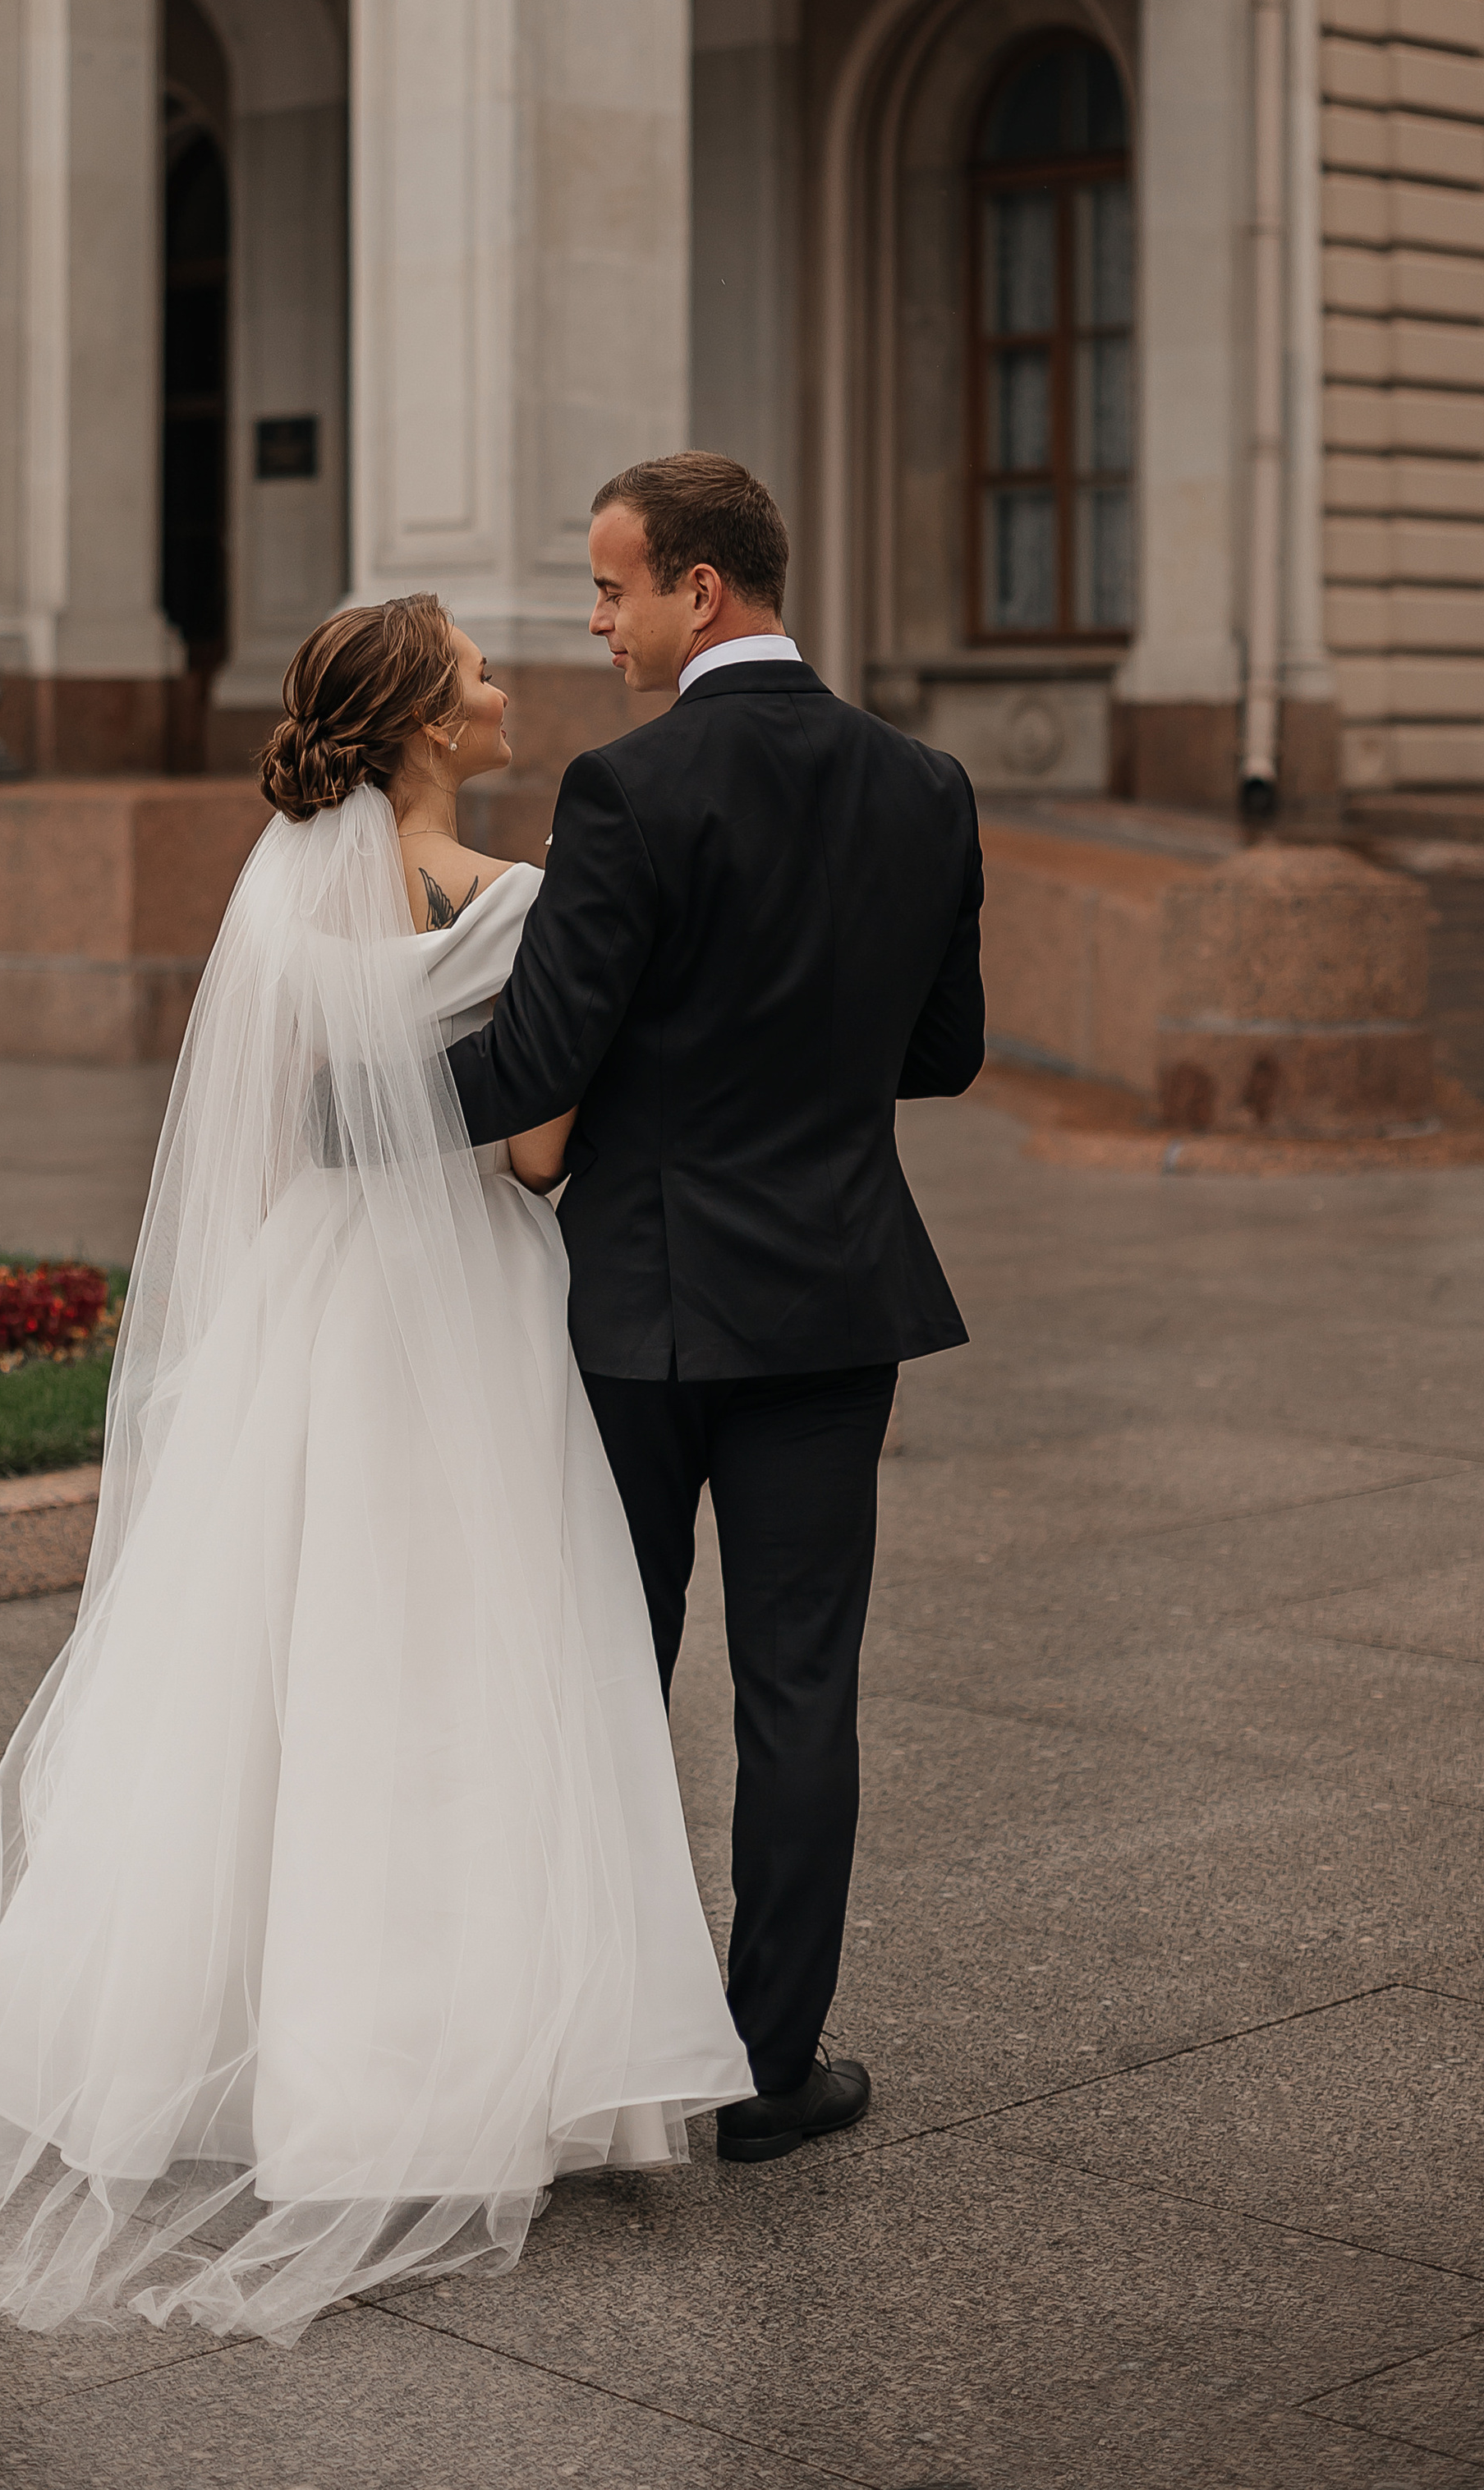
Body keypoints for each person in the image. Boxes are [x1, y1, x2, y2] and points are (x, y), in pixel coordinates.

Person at [0, 595, 754, 2346]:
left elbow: (255, 1147)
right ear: (419, 722)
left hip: (316, 1299)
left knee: (278, 1662)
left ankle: (218, 2052)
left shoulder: (279, 898)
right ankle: (474, 2059)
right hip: (468, 1303)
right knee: (467, 1660)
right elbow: (537, 1151)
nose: (500, 688)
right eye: (472, 672)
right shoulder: (510, 899)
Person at [446, 452, 985, 2166]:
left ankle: (585, 2044)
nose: (594, 620)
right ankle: (768, 2073)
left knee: (605, 1672)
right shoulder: (925, 784)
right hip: (833, 1304)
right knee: (798, 1689)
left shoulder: (629, 787)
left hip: (648, 1313)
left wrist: (320, 1112)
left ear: (703, 590)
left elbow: (538, 1058)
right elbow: (942, 1053)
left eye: (612, 587)